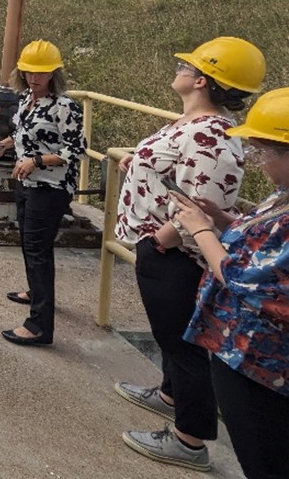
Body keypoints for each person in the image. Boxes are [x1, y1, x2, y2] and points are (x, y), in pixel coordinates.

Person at [114, 36, 265, 472]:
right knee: (171, 336)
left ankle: (189, 440)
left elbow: (202, 204)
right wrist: (139, 164)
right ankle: (170, 395)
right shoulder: (196, 124)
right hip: (164, 247)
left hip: (173, 252)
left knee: (183, 344)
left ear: (201, 79)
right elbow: (178, 174)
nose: (178, 68)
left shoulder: (210, 134)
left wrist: (162, 240)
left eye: (187, 65)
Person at [171, 86, 289, 479]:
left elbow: (243, 278)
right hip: (241, 352)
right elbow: (259, 240)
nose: (257, 161)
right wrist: (225, 219)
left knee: (264, 459)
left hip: (260, 363)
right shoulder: (282, 195)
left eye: (263, 152)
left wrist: (201, 230)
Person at [0, 40, 86, 347]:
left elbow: (77, 149)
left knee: (37, 249)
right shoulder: (26, 98)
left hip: (50, 187)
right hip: (27, 183)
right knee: (31, 244)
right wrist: (5, 144)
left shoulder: (64, 106)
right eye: (29, 72)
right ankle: (36, 291)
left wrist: (37, 161)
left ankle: (39, 325)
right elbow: (22, 133)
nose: (34, 78)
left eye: (41, 73)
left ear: (54, 73)